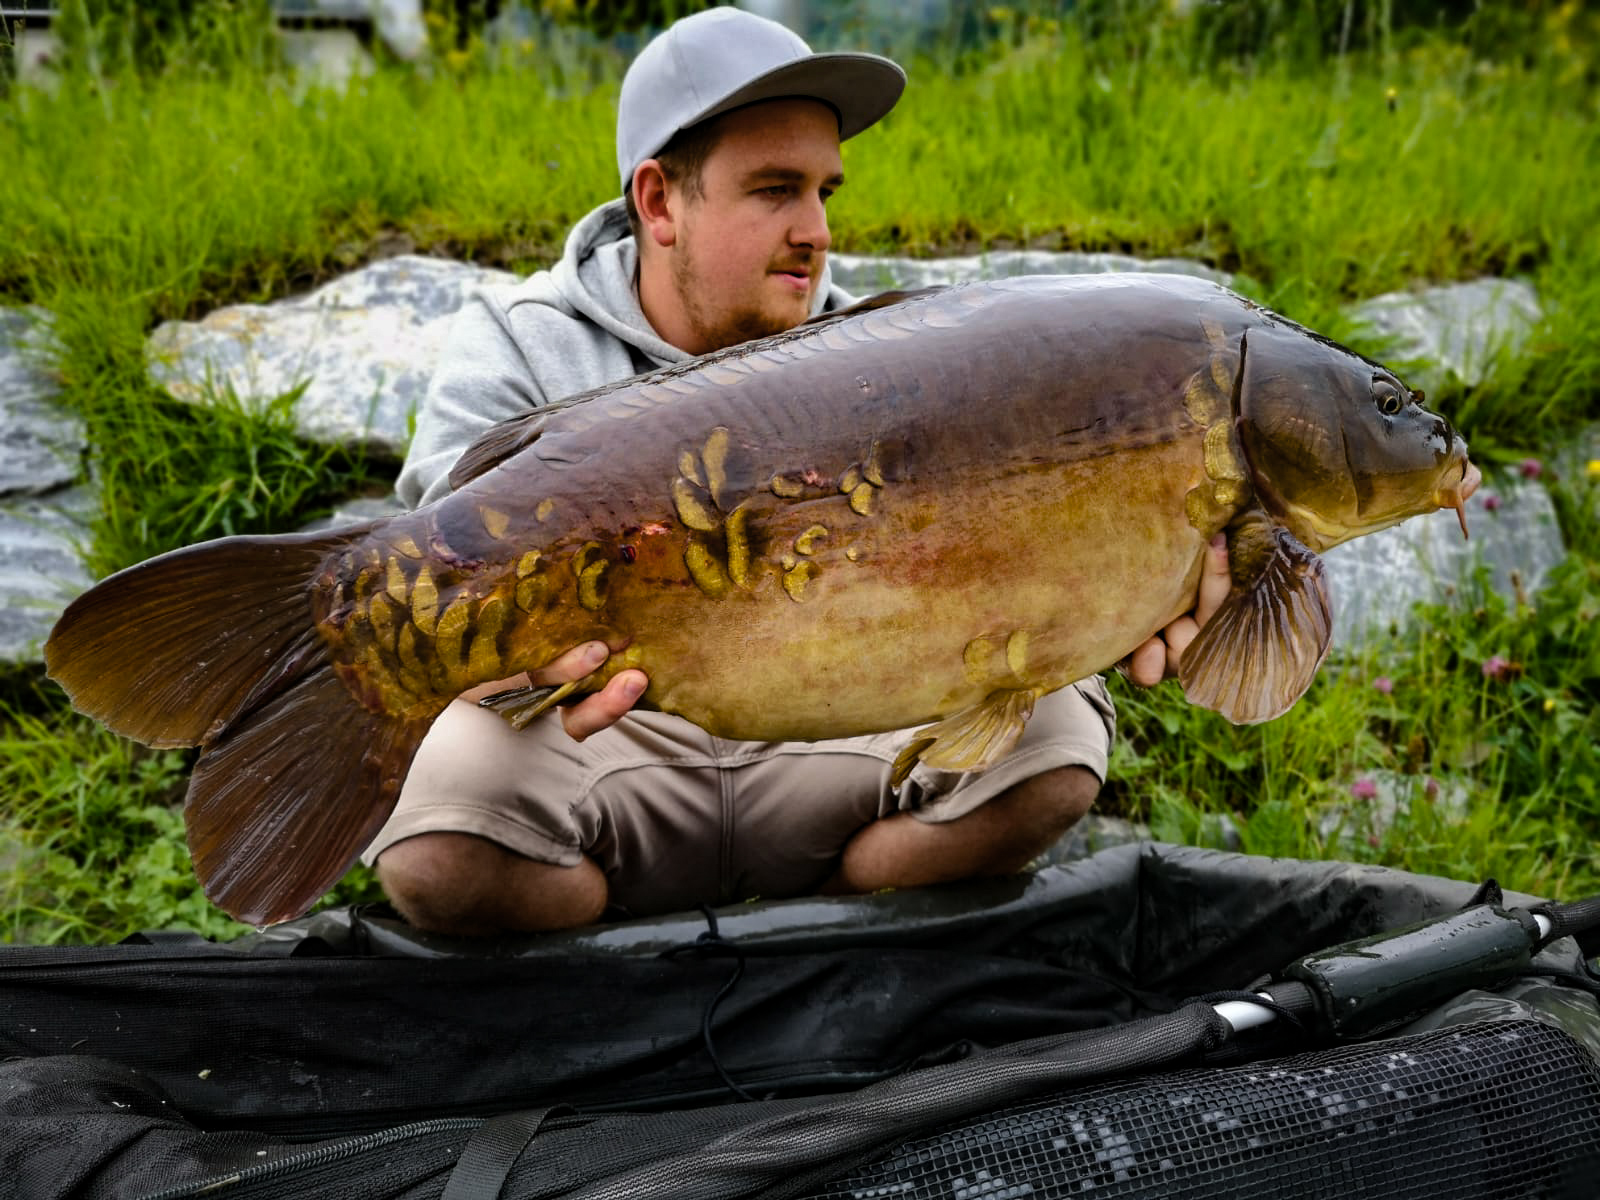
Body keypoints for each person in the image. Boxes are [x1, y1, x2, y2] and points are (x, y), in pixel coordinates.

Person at [365, 6, 1230, 936]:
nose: (814, 231)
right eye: (775, 190)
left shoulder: (894, 359)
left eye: (825, 191)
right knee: (443, 826)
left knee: (1057, 737)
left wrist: (1124, 587)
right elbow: (441, 564)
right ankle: (621, 951)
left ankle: (816, 939)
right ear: (659, 201)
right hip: (609, 742)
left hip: (837, 731)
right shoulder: (520, 344)